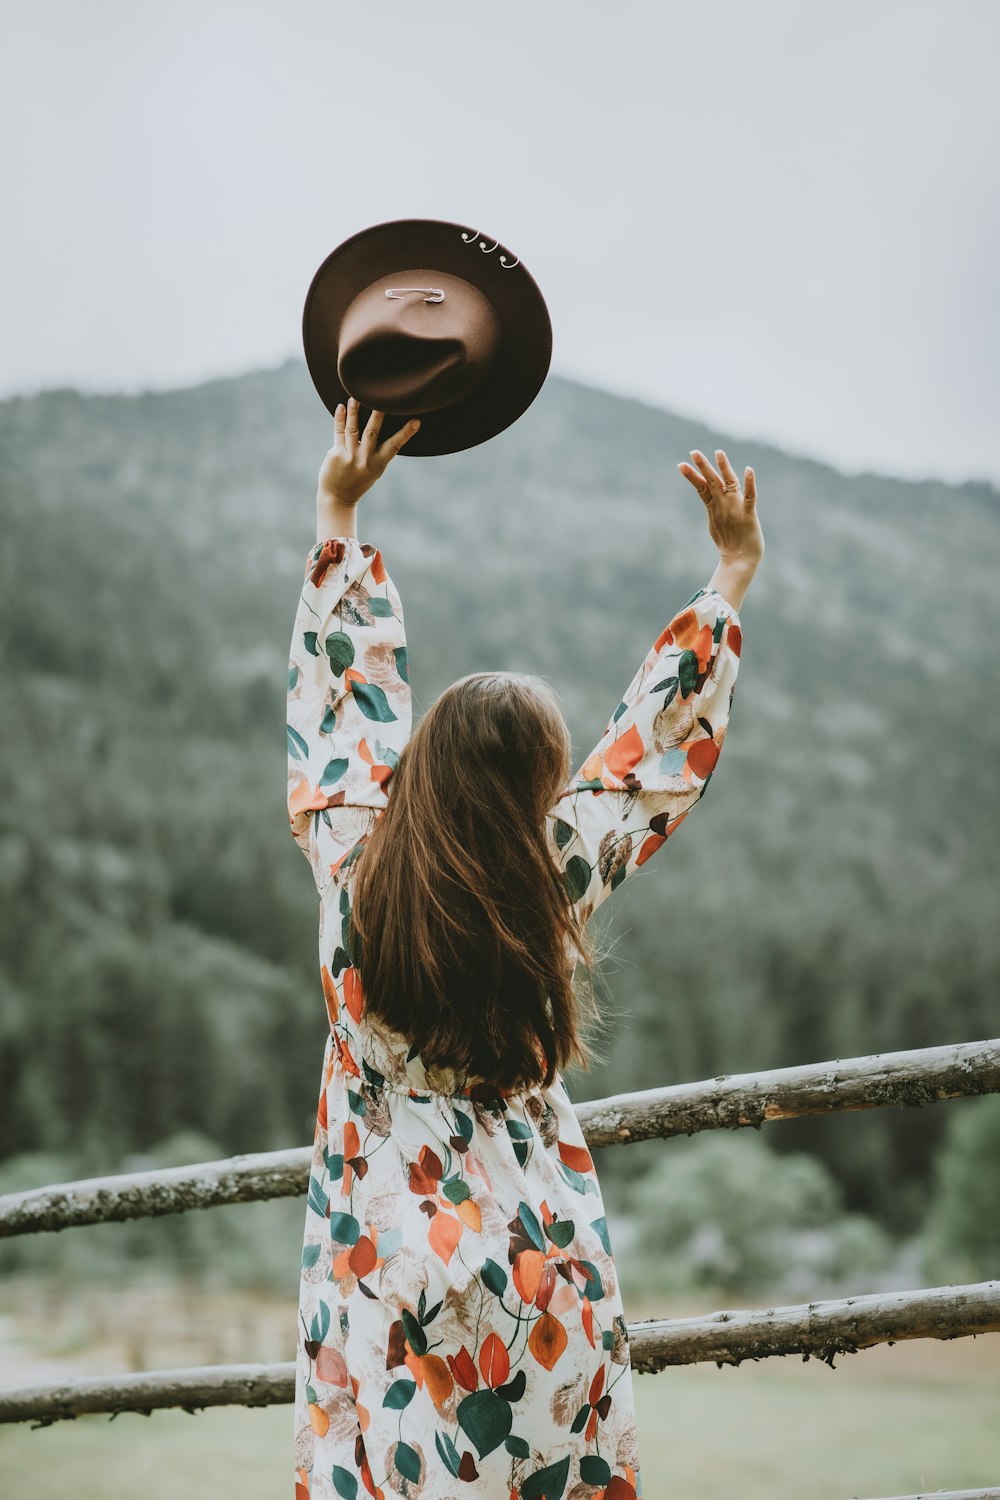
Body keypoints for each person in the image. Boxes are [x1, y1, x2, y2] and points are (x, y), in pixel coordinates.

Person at [287, 396, 764, 1500]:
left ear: (419, 772)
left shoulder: (357, 864)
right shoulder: (553, 872)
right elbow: (651, 747)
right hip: (541, 1265)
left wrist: (339, 509)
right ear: (540, 790)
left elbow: (344, 702)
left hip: (387, 1252)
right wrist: (728, 573)